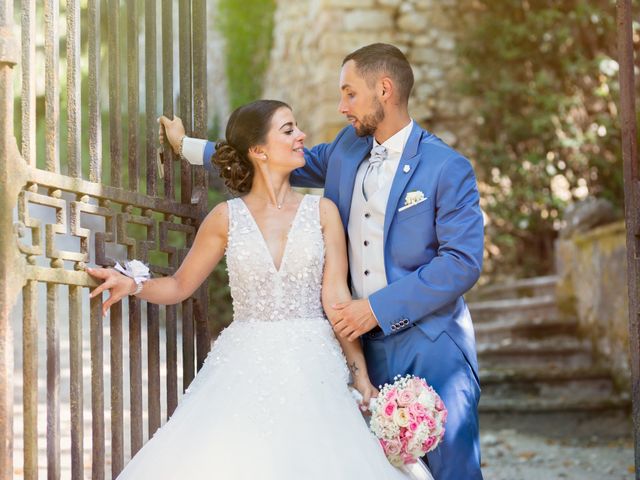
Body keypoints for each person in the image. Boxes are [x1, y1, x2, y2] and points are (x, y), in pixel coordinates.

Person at [163, 43, 485, 479]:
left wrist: (375, 309)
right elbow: (265, 159)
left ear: (384, 89)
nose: (342, 106)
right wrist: (187, 147)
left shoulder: (447, 167)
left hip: (430, 346)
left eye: (350, 93)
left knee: (450, 472)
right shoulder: (345, 152)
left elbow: (461, 262)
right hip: (358, 349)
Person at [88, 99, 432, 479]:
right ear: (258, 150)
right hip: (244, 364)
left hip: (316, 365)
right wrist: (133, 284)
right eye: (288, 130)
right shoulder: (226, 218)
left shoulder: (323, 212)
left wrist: (360, 375)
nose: (301, 135)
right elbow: (179, 285)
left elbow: (337, 302)